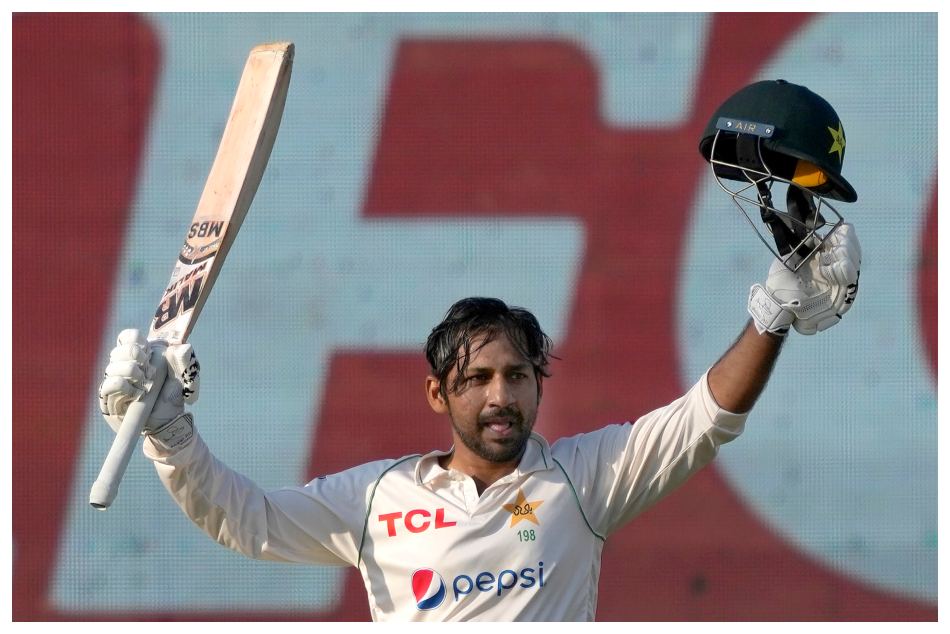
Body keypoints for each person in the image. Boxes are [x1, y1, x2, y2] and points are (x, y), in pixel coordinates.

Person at [97, 80, 862, 621]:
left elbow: (705, 419)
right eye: (479, 379)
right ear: (439, 394)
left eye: (518, 375)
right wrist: (171, 435)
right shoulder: (377, 498)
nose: (501, 395)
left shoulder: (584, 480)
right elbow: (246, 521)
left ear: (539, 384)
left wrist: (773, 312)